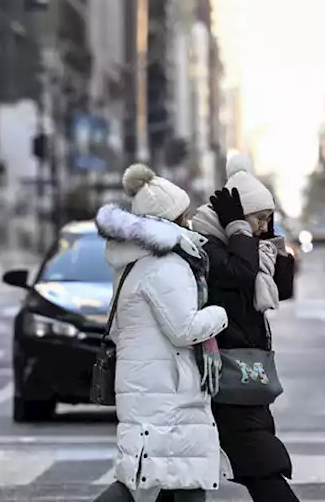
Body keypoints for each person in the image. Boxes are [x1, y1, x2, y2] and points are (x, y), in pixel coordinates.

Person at [92, 163, 229, 502]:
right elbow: (185, 329)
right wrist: (221, 313)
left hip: (148, 385)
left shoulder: (133, 262)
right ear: (173, 219)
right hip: (166, 392)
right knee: (166, 483)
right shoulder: (166, 265)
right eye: (185, 215)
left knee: (166, 481)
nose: (190, 222)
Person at [189, 154, 299, 501]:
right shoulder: (209, 246)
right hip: (226, 370)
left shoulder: (252, 248)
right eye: (258, 219)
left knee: (184, 473)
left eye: (269, 219)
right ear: (235, 217)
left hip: (247, 370)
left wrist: (273, 244)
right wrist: (239, 231)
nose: (262, 227)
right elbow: (239, 274)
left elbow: (285, 288)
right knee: (260, 462)